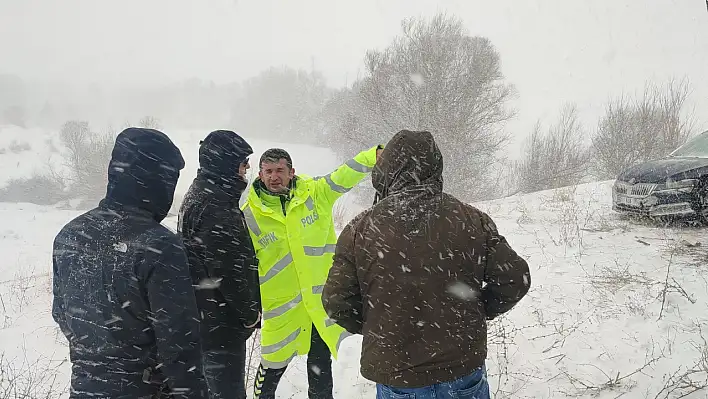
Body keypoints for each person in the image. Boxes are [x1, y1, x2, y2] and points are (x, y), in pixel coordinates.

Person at [322, 130, 531, 399]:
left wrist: (380, 325)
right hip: (461, 371)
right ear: (435, 166)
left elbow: (336, 302)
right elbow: (514, 279)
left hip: (398, 375)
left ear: (386, 170)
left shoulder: (360, 229)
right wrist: (478, 309)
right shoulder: (470, 219)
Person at [51, 127, 208, 398]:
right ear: (156, 180)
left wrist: (99, 360)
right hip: (144, 388)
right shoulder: (159, 245)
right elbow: (179, 345)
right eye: (169, 179)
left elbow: (63, 313)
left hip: (85, 386)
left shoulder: (70, 234)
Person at [241, 145, 382, 399]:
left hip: (318, 304)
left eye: (280, 170)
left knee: (320, 371)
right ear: (260, 175)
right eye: (268, 171)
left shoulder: (316, 194)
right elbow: (244, 264)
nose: (274, 177)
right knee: (270, 373)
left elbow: (345, 174)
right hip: (281, 308)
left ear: (292, 172)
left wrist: (374, 155)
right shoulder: (249, 214)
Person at [178, 130, 261, 399]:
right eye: (242, 162)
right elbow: (229, 271)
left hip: (204, 318)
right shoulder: (217, 206)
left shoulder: (202, 193)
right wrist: (250, 314)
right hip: (219, 326)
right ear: (226, 163)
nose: (246, 168)